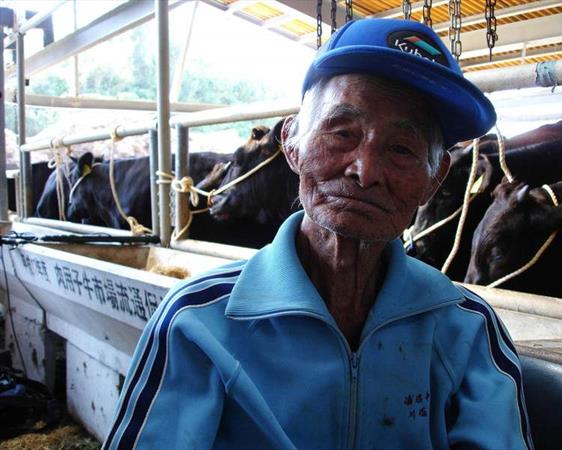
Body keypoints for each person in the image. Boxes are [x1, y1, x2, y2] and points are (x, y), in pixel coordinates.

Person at [104, 19, 532, 450]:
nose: (364, 171)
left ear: (435, 179)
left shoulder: (469, 330)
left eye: (401, 149)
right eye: (342, 133)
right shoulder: (196, 321)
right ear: (292, 142)